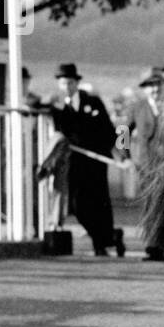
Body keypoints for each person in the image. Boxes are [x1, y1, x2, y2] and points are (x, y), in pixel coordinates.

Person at [47, 63, 121, 257]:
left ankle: (102, 242)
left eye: (70, 82)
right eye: (63, 83)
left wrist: (120, 153)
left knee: (99, 202)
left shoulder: (93, 102)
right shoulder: (57, 107)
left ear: (76, 83)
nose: (67, 87)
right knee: (76, 203)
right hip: (74, 162)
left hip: (96, 162)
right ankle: (103, 236)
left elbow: (109, 130)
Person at [127, 67, 164, 261]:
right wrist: (124, 156)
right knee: (151, 205)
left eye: (157, 85)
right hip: (146, 164)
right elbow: (123, 131)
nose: (155, 90)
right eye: (150, 86)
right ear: (144, 89)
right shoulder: (137, 107)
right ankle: (153, 245)